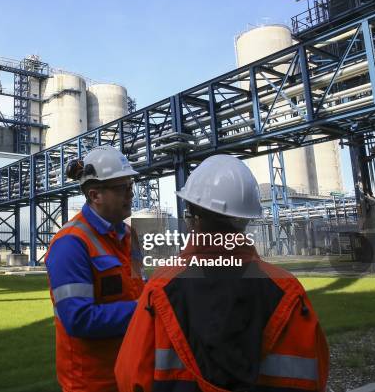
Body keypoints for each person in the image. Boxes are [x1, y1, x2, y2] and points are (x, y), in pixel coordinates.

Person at [114, 154, 329, 392]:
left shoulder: (161, 288)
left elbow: (129, 377)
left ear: (191, 219)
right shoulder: (288, 290)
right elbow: (315, 376)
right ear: (247, 220)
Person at [45, 146, 146, 392]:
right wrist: (145, 310)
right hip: (91, 382)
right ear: (95, 195)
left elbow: (142, 288)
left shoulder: (130, 235)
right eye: (123, 188)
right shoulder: (71, 243)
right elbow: (78, 319)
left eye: (130, 187)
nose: (131, 195)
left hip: (131, 371)